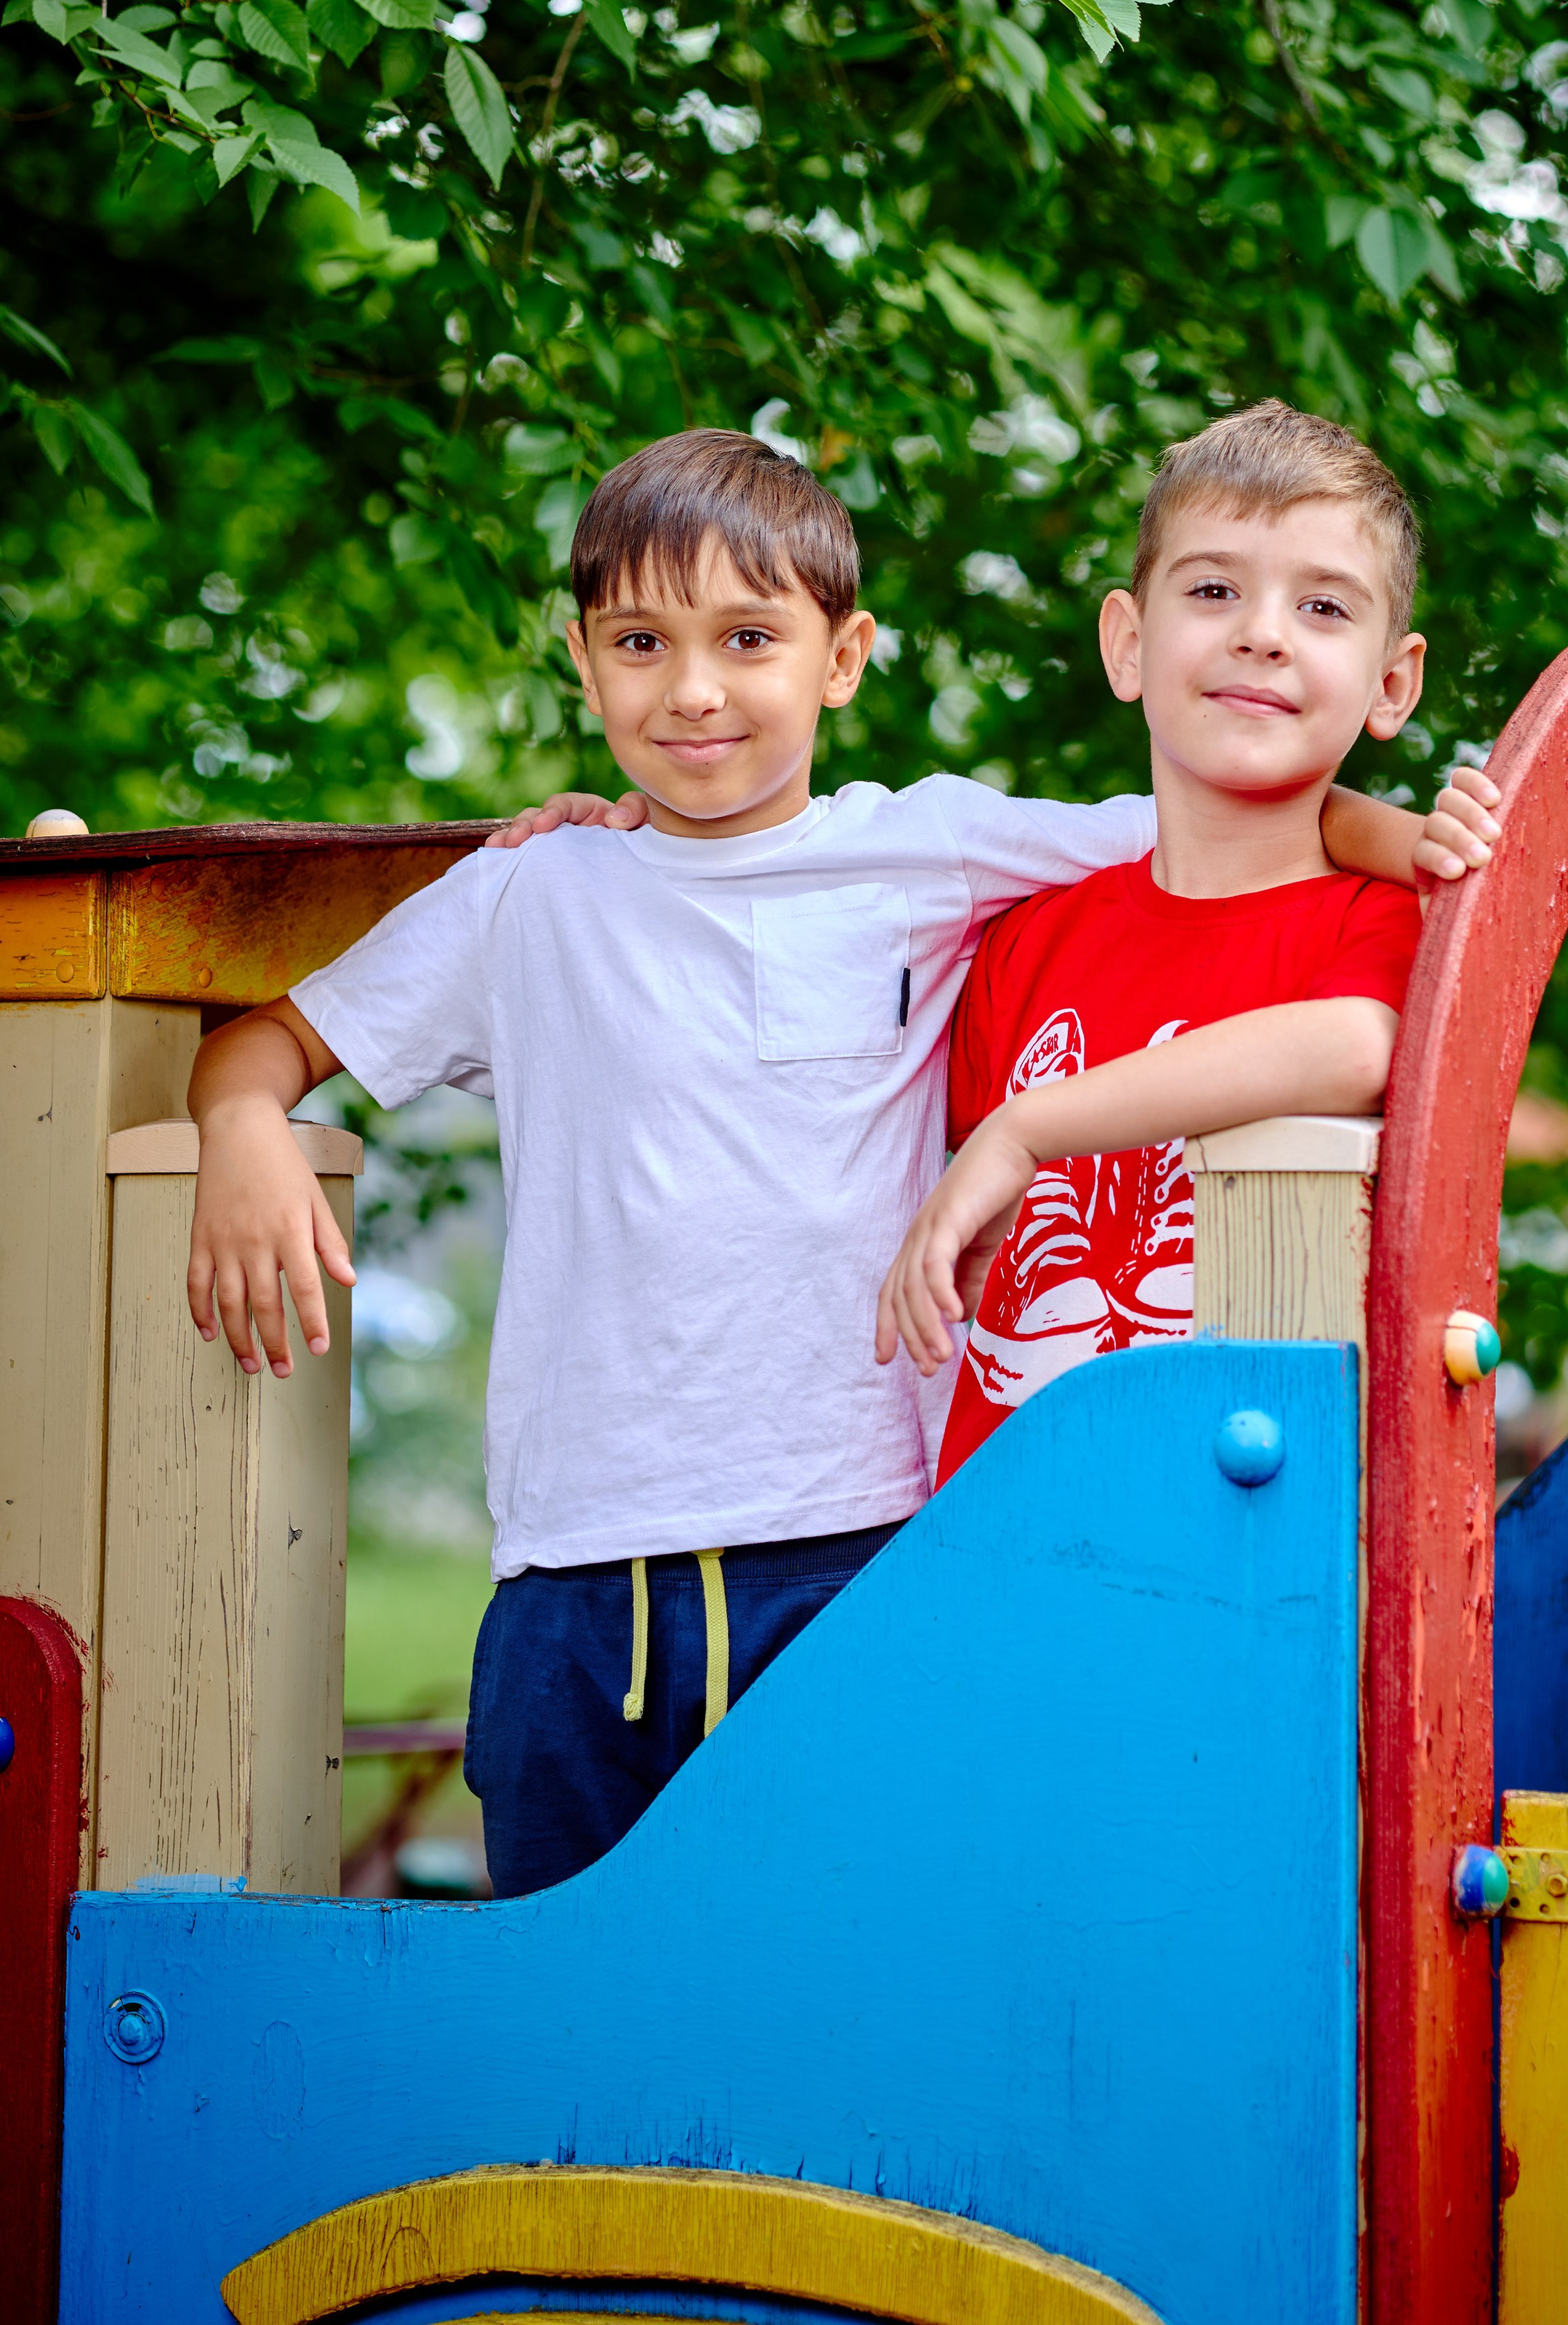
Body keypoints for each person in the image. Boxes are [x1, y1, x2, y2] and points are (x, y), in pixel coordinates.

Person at [184, 426, 1490, 1900]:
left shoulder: (933, 857)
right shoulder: (531, 895)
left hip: (860, 1549)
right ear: (584, 664)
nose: (694, 689)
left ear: (843, 657)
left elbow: (1260, 806)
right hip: (576, 1569)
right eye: (640, 642)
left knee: (851, 1967)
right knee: (563, 1986)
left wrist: (1421, 843)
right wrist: (242, 1127)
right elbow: (265, 1048)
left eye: (748, 637)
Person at [875, 401, 1498, 1477]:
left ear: (1393, 684)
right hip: (1006, 1521)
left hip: (1252, 1525)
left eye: (1323, 607)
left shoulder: (1388, 917)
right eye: (1214, 590)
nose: (1263, 633)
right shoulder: (1025, 942)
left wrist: (1027, 1129)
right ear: (1128, 643)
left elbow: (1360, 1045)